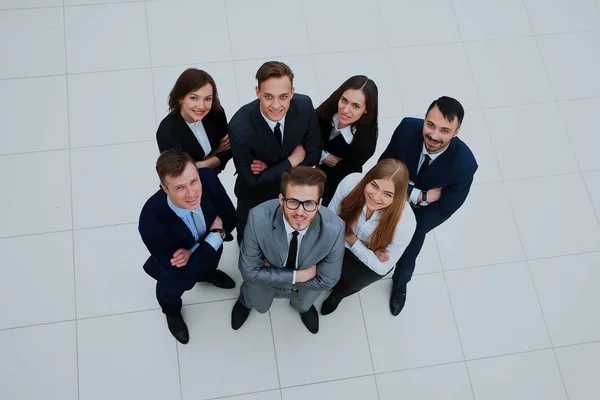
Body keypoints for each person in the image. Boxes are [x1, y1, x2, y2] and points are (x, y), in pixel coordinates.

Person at [379, 96, 477, 316]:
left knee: (409, 251)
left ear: (457, 131)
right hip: (386, 198)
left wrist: (409, 227)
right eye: (430, 125)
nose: (434, 135)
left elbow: (446, 207)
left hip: (420, 218)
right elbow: (383, 167)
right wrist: (420, 196)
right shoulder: (406, 128)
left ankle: (400, 282)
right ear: (424, 119)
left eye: (444, 130)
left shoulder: (465, 164)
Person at [138, 149, 237, 344]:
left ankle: (208, 275)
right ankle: (172, 313)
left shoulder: (207, 178)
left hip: (210, 252)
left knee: (206, 266)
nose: (192, 194)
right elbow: (182, 274)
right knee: (170, 291)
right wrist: (214, 236)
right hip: (174, 272)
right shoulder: (150, 221)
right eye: (180, 188)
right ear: (164, 188)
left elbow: (231, 219)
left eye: (193, 181)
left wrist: (193, 251)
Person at [231, 166, 345, 334]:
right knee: (252, 295)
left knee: (303, 302)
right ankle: (245, 302)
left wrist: (270, 274)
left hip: (303, 290)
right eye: (293, 202)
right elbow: (249, 272)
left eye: (309, 203)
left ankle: (302, 307)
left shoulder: (335, 228)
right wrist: (299, 276)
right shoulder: (258, 217)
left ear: (319, 203)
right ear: (281, 199)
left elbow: (328, 280)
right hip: (272, 286)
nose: (300, 212)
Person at [229, 61, 322, 244]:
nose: (276, 105)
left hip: (292, 192)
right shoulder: (239, 126)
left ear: (292, 93)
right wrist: (292, 160)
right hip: (254, 197)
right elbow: (251, 180)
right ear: (258, 93)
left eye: (284, 96)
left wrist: (270, 169)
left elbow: (313, 155)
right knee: (248, 233)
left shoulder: (304, 106)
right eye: (268, 96)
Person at [321, 159, 416, 315]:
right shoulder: (351, 182)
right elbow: (329, 220)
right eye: (374, 185)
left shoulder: (405, 223)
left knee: (350, 285)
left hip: (364, 264)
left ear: (397, 197)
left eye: (387, 194)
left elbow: (382, 267)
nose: (376, 197)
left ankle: (336, 297)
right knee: (324, 269)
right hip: (339, 242)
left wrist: (353, 240)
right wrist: (369, 248)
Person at [316, 75, 379, 206]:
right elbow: (307, 133)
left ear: (366, 109)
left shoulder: (365, 143)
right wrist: (323, 155)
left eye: (355, 106)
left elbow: (343, 172)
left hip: (336, 177)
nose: (345, 110)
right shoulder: (328, 109)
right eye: (344, 100)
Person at [156, 68, 231, 173]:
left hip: (212, 174)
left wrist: (200, 164)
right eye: (194, 98)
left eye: (207, 99)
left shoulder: (216, 112)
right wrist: (216, 153)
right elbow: (179, 173)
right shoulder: (166, 132)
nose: (201, 106)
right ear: (180, 98)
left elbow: (229, 149)